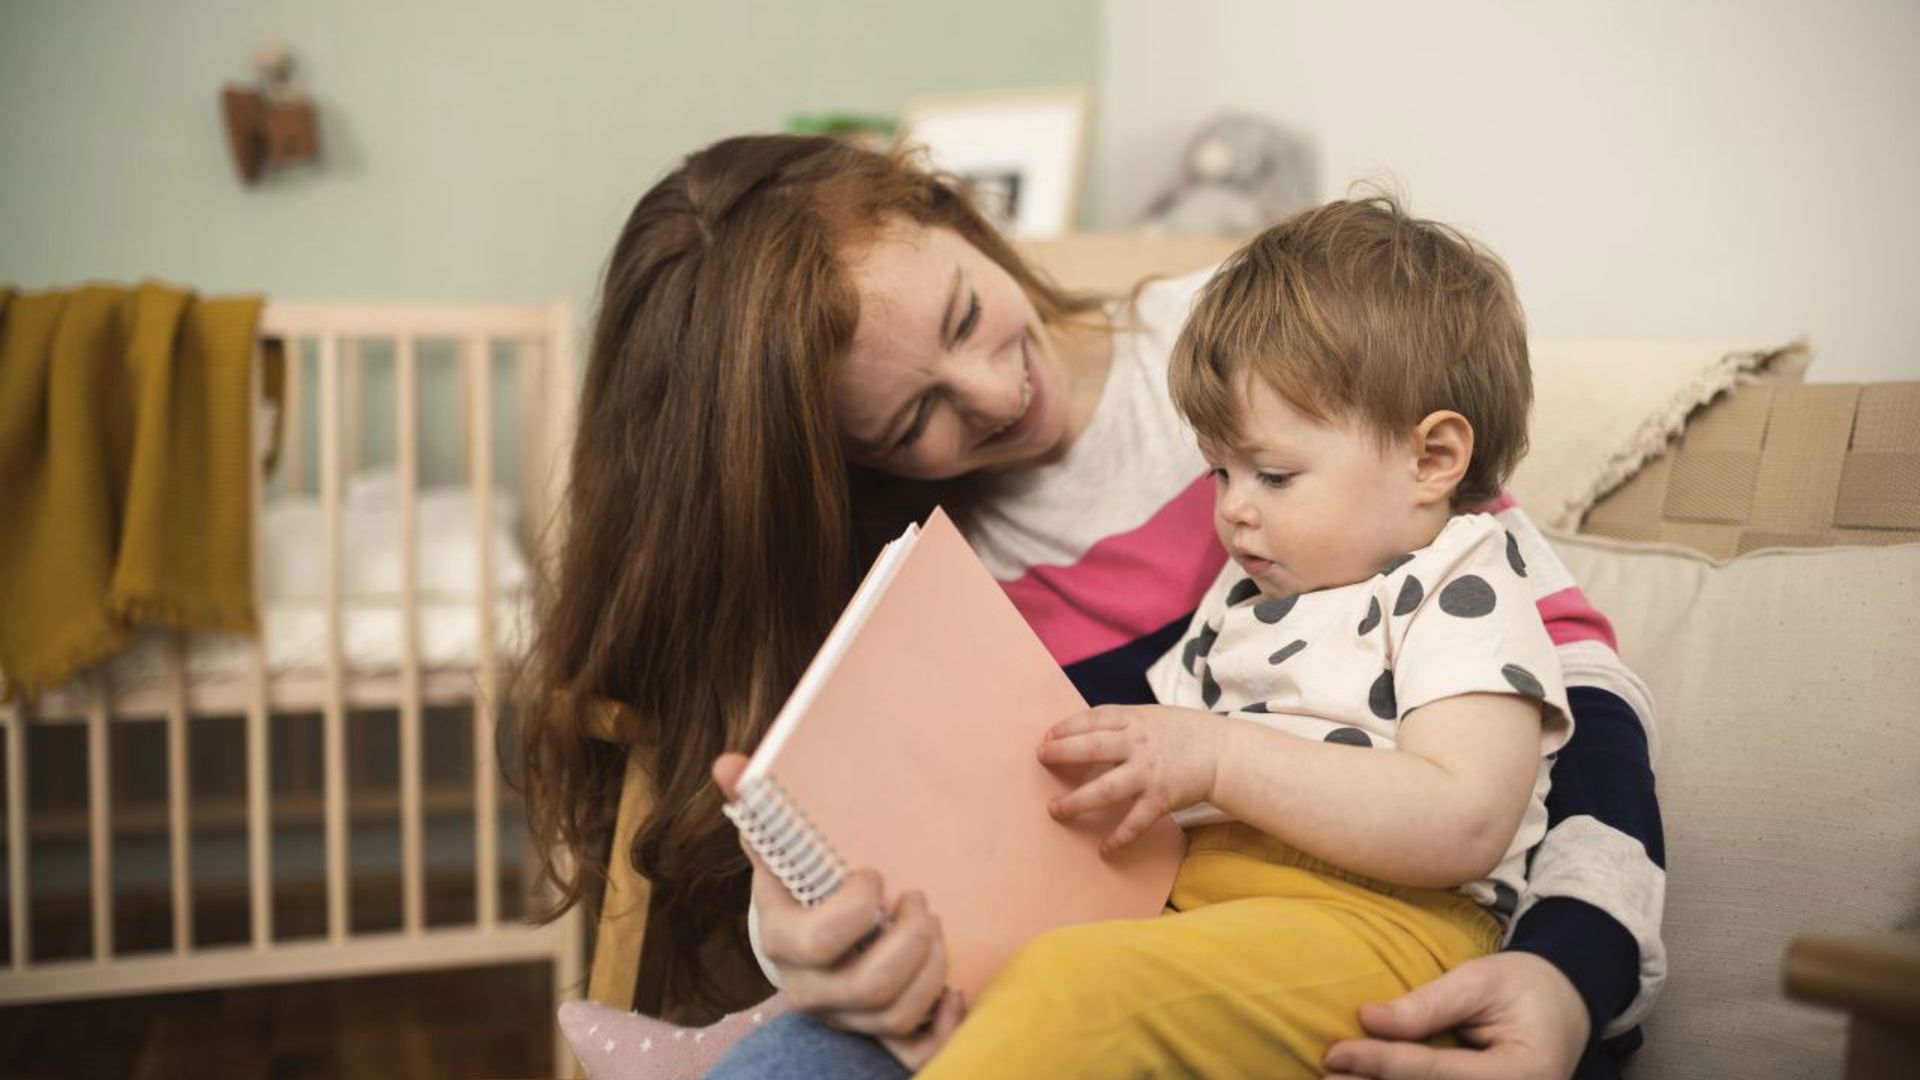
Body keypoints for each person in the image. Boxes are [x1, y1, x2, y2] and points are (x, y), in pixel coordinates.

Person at [519, 134, 1664, 1079]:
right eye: (909, 421)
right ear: (840, 462)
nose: (996, 393)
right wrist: (797, 938)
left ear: (956, 214)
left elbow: (1565, 708)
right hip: (1138, 921)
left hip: (1340, 934)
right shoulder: (919, 567)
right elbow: (988, 789)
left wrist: (1575, 968)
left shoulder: (1267, 361)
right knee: (805, 1058)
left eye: (966, 316)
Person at [898, 196, 1574, 1077]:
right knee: (990, 987)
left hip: (1386, 928)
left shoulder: (1460, 584)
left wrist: (1218, 758)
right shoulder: (1248, 594)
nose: (1232, 509)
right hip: (1204, 911)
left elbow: (1464, 819)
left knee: (1071, 989)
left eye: (1275, 474)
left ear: (1432, 460)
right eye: (1221, 470)